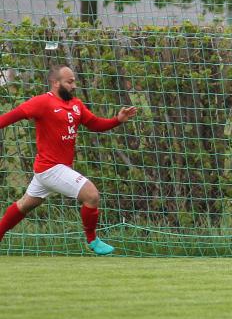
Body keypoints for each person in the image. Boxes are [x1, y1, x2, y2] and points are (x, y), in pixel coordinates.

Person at [0, 65, 137, 255]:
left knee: (24, 205)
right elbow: (9, 117)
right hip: (50, 168)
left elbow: (94, 124)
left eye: (74, 81)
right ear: (56, 83)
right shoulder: (41, 103)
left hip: (51, 170)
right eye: (69, 81)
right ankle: (93, 241)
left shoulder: (76, 104)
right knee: (92, 196)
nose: (74, 85)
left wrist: (117, 120)